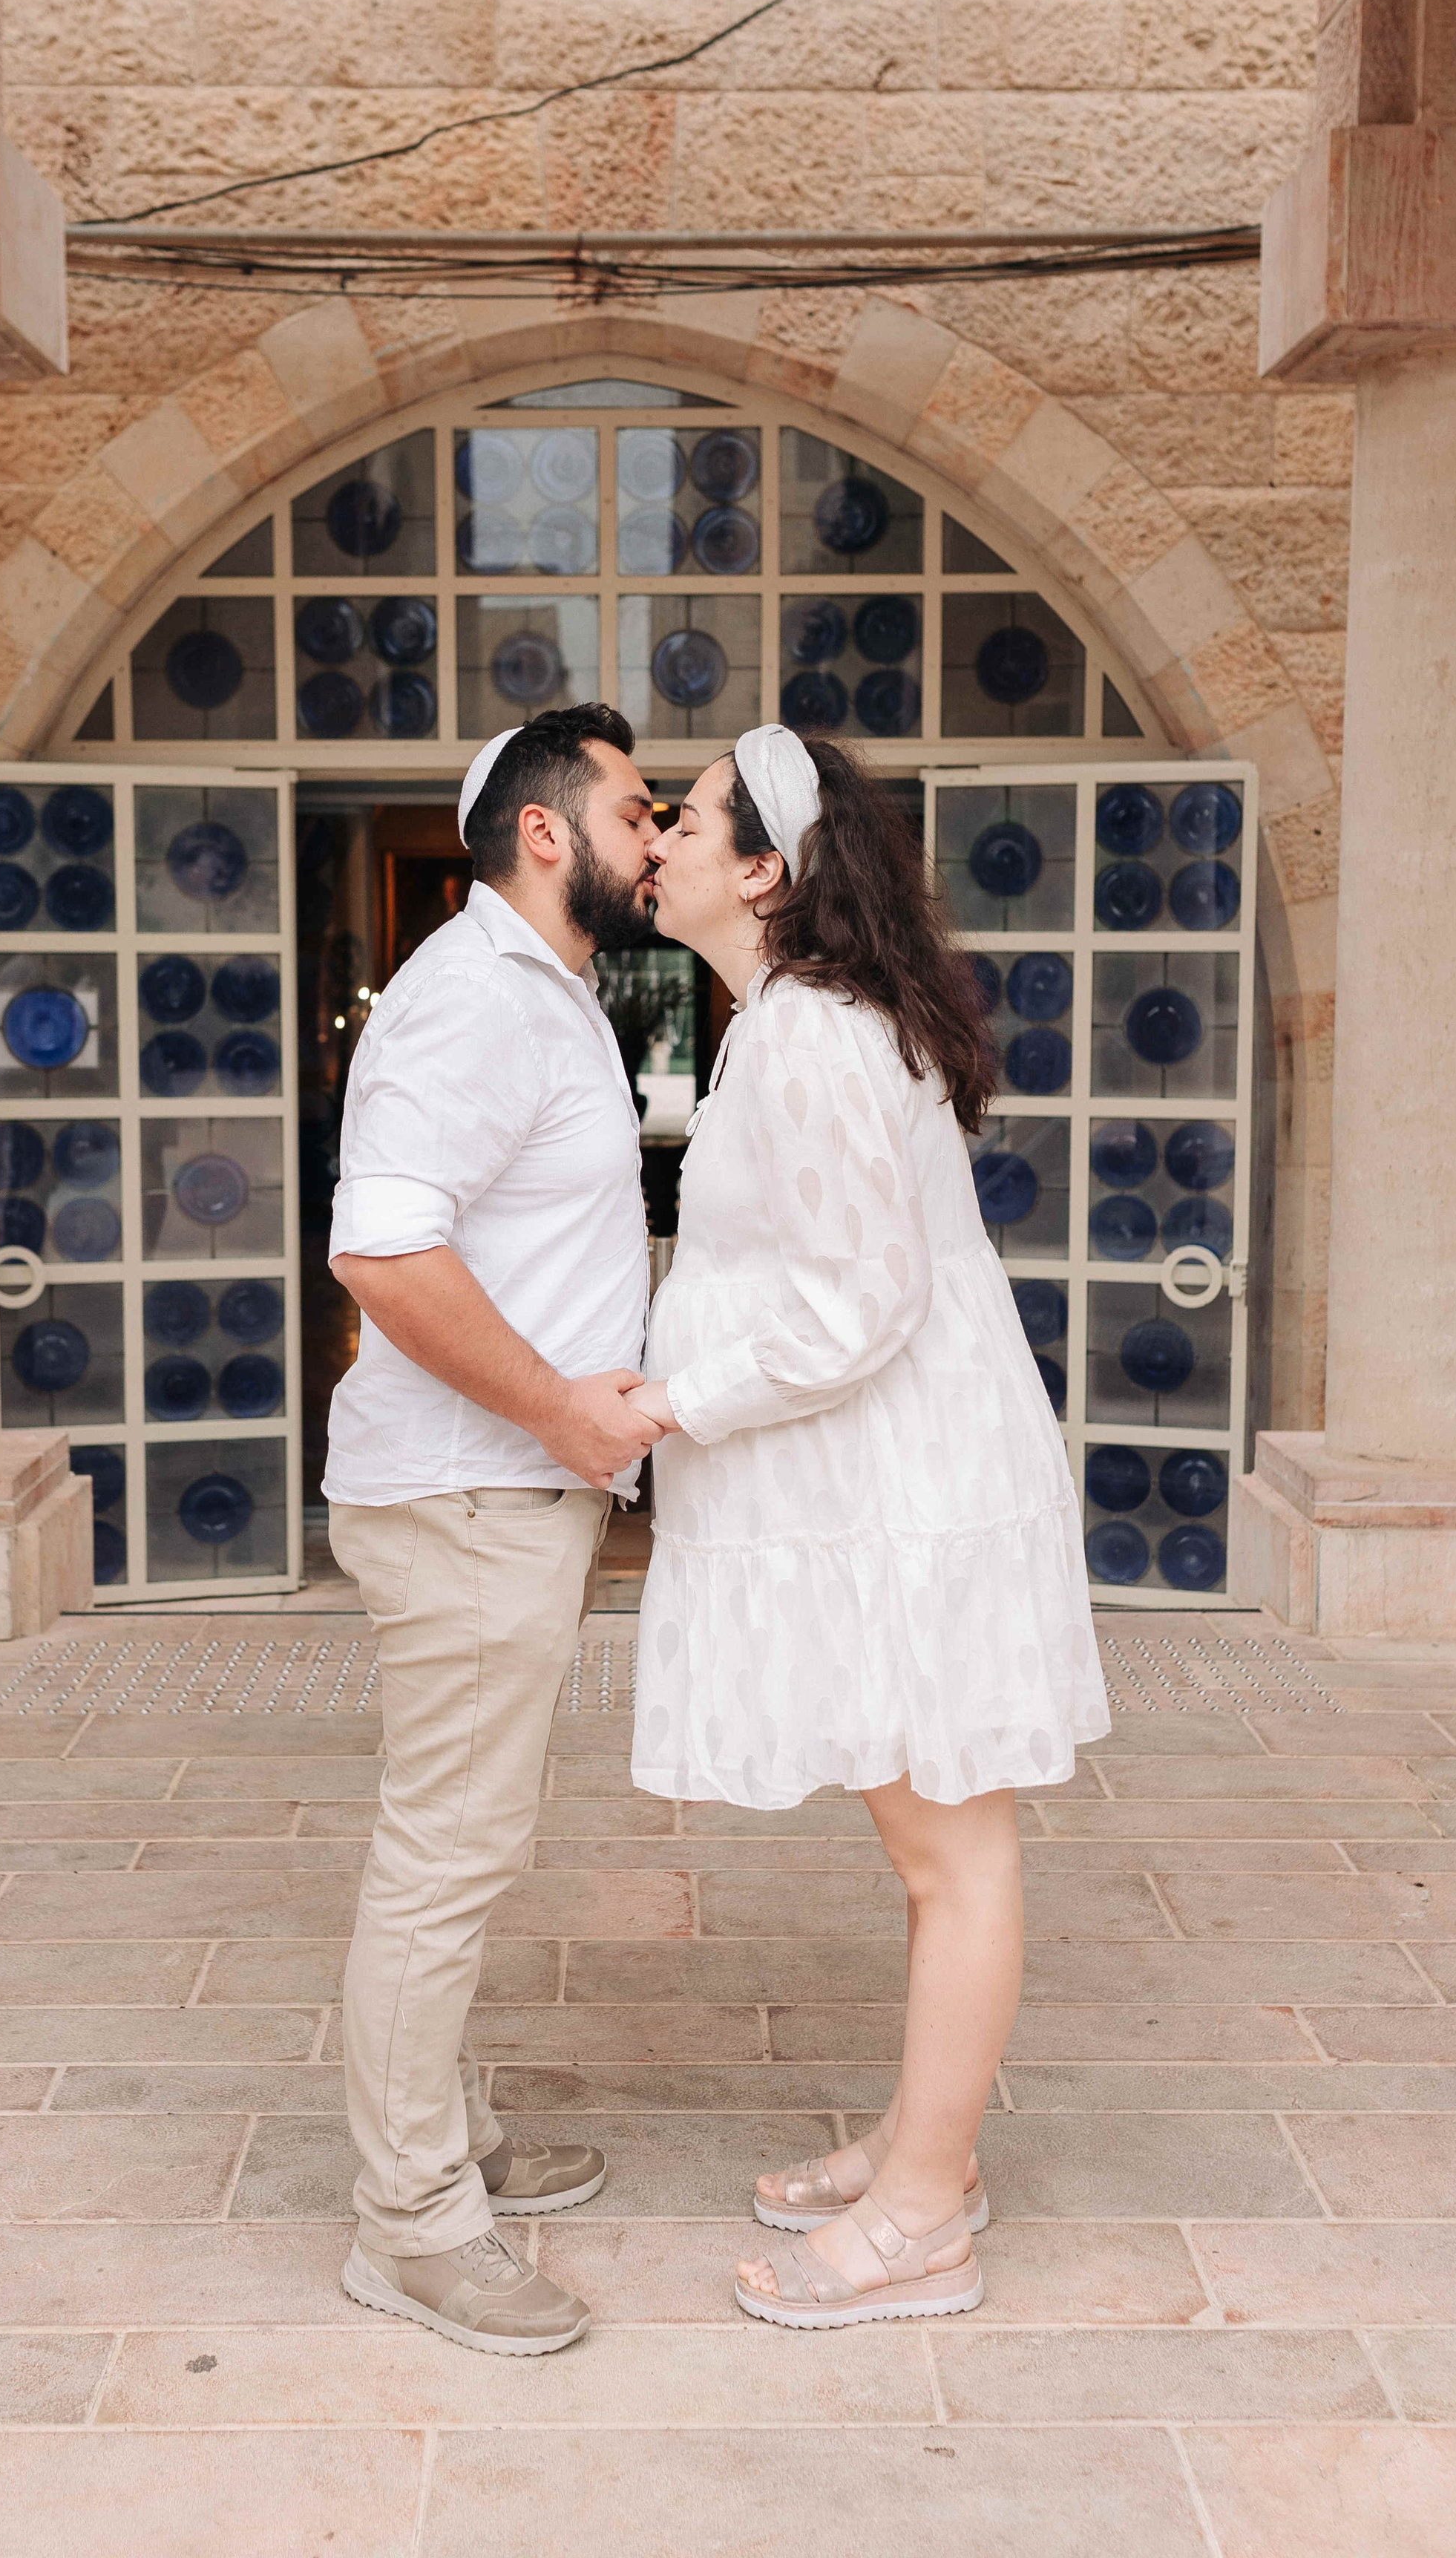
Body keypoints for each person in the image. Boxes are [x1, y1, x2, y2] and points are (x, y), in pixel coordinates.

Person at [628, 725, 1108, 2329]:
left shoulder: (813, 1036)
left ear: (761, 872)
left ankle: (922, 2218)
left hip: (911, 1499)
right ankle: (924, 2149)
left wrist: (671, 1404)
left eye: (685, 818)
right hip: (885, 1493)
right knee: (929, 1845)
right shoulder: (788, 1024)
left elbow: (859, 1304)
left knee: (949, 1854)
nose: (658, 837)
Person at [326, 702, 666, 2356]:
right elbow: (383, 1260)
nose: (655, 833)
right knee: (442, 1858)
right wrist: (558, 1413)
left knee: (464, 1844)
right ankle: (407, 2227)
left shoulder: (547, 993)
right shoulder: (471, 1002)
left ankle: (446, 2146)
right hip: (468, 1495)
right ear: (548, 830)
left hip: (505, 1491)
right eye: (635, 804)